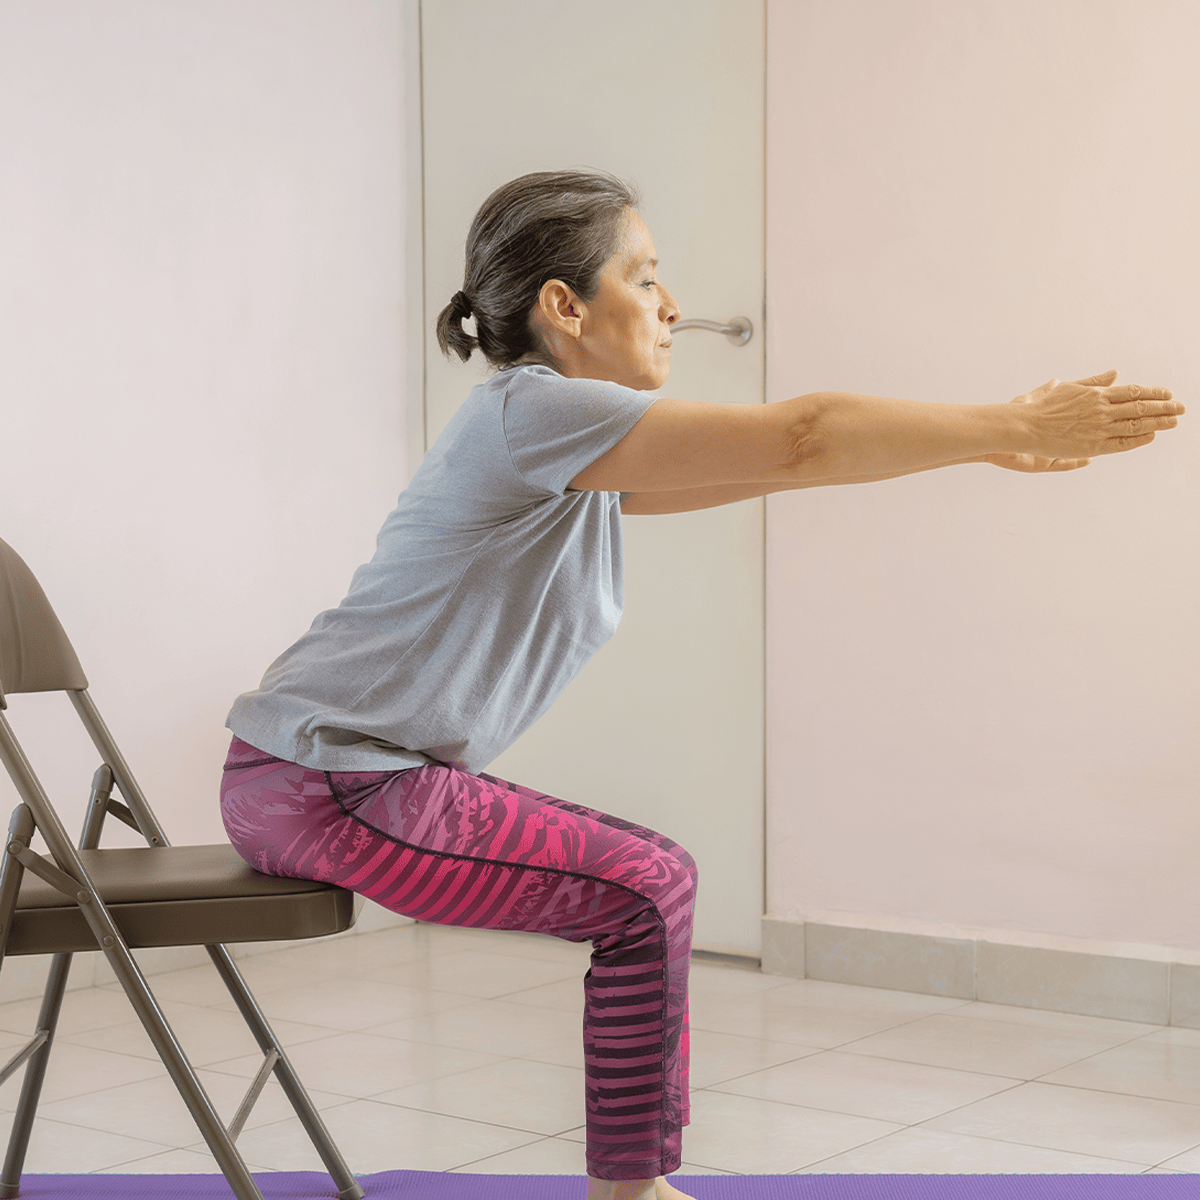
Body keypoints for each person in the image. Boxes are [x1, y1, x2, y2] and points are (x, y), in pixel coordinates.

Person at [219, 170, 1184, 1200]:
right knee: (647, 886)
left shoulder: (566, 445)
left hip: (321, 779)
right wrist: (1012, 422)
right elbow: (802, 434)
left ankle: (631, 1187)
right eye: (645, 276)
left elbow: (790, 465)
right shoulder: (532, 415)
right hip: (329, 783)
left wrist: (989, 445)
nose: (674, 306)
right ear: (565, 308)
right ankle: (631, 1193)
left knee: (649, 882)